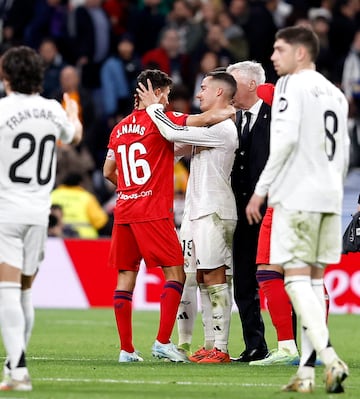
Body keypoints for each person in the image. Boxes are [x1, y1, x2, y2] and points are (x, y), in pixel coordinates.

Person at [103, 69, 234, 363]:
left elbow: (107, 172)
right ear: (158, 92)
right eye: (168, 94)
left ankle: (126, 350)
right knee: (176, 273)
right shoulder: (162, 120)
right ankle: (163, 342)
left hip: (124, 210)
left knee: (125, 277)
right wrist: (230, 108)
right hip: (152, 211)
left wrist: (131, 188)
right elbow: (203, 120)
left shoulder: (118, 128)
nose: (169, 100)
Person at [246, 26, 350, 393]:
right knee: (315, 282)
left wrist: (261, 191)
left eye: (278, 49)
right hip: (329, 195)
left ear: (300, 53)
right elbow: (346, 150)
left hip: (298, 194)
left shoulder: (292, 86)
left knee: (292, 279)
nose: (273, 57)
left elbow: (285, 142)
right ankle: (307, 373)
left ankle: (331, 356)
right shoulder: (336, 93)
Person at [0, 45, 82, 391]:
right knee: (25, 291)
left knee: (6, 289)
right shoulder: (52, 110)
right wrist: (74, 112)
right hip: (38, 212)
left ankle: (18, 370)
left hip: (5, 211)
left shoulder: (2, 110)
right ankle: (14, 364)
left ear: (6, 77)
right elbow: (73, 136)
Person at [226, 61, 270, 363]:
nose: (228, 90)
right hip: (240, 213)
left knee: (276, 279)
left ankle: (289, 344)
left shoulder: (276, 117)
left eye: (233, 83)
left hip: (269, 212)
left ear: (252, 84)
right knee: (243, 280)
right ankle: (255, 344)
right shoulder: (233, 120)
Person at [51, 172, 111, 238]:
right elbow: (100, 221)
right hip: (85, 239)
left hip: (57, 236)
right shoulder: (87, 197)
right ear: (80, 183)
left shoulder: (53, 195)